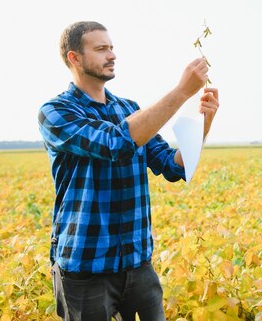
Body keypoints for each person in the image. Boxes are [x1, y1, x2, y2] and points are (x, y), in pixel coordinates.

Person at [38, 21, 219, 320]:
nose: (112, 55)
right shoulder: (56, 112)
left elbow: (174, 166)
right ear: (75, 58)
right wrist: (182, 92)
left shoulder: (129, 109)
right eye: (100, 49)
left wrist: (205, 122)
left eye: (111, 47)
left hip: (138, 263)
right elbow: (114, 143)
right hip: (86, 265)